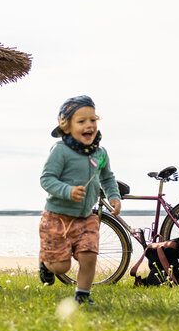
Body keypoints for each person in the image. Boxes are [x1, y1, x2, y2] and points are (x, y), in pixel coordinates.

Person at [38, 95, 121, 305]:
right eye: (81, 121)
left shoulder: (100, 153)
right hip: (58, 217)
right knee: (61, 267)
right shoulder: (61, 151)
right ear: (66, 127)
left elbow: (108, 178)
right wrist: (68, 191)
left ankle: (82, 295)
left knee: (89, 255)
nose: (89, 125)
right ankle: (46, 264)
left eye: (92, 120)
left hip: (85, 217)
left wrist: (114, 196)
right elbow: (46, 179)